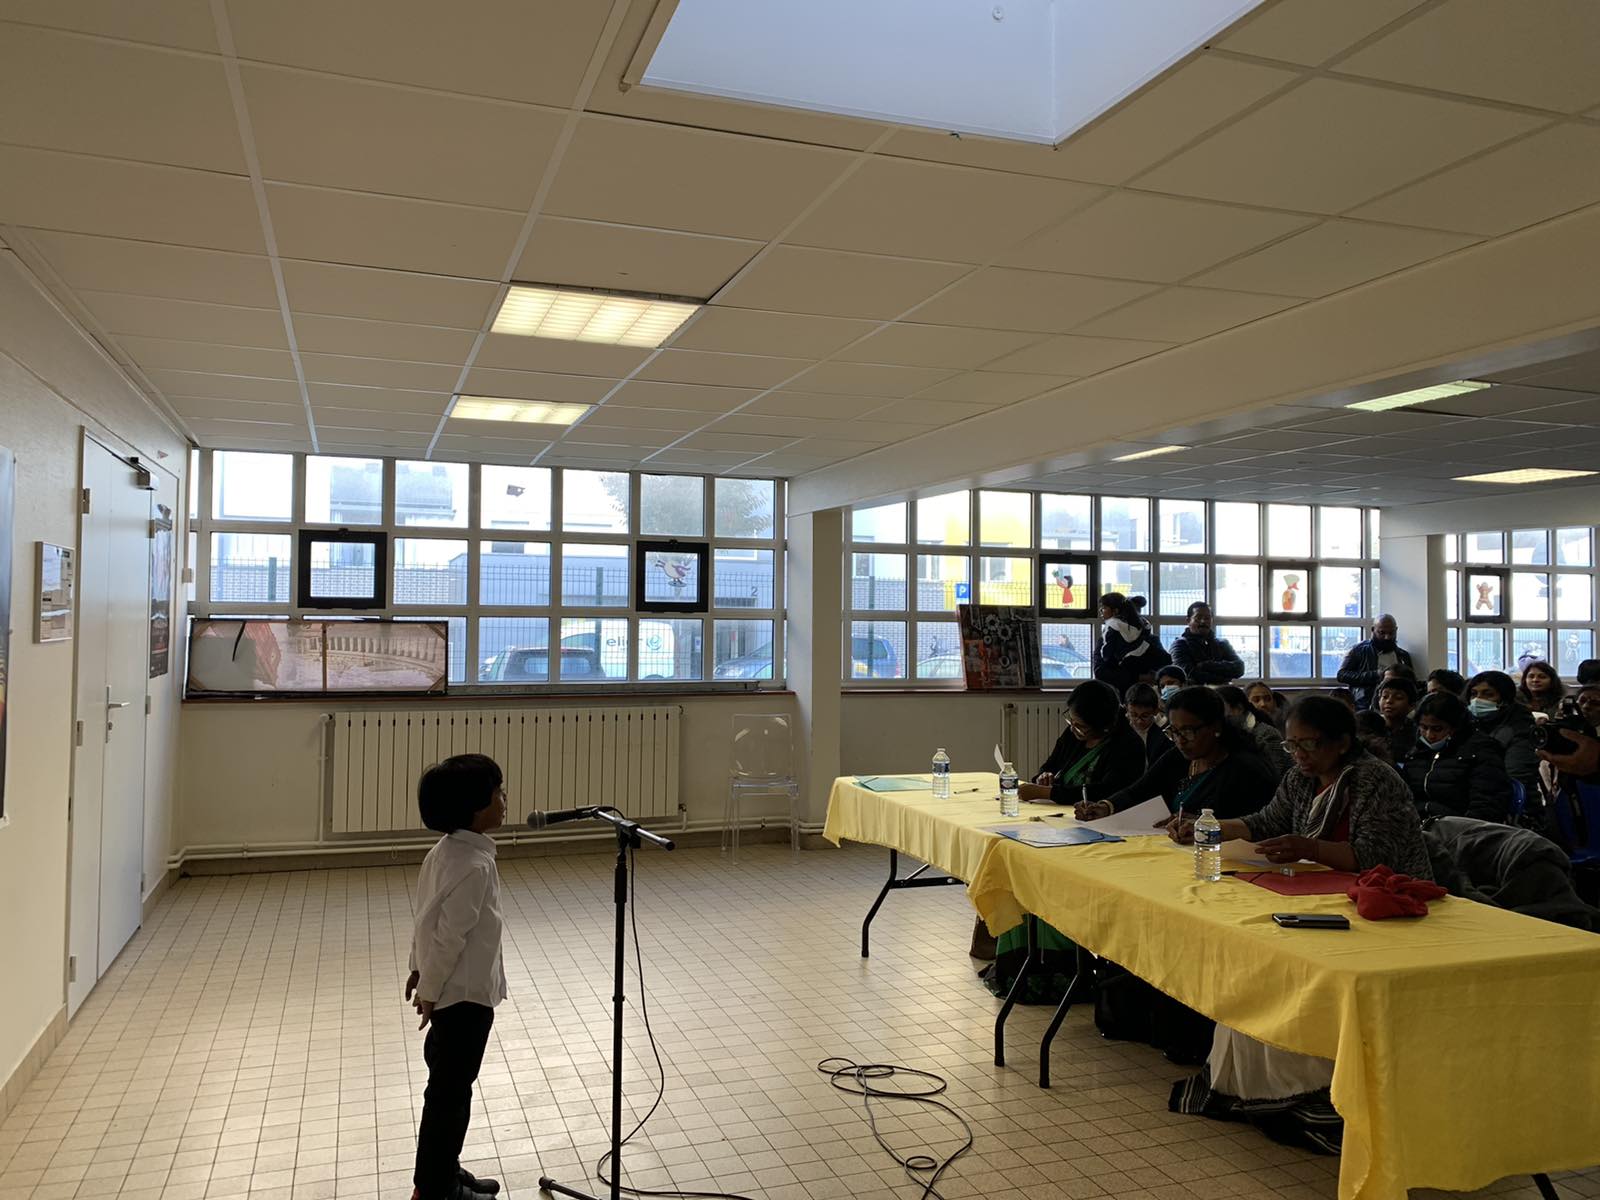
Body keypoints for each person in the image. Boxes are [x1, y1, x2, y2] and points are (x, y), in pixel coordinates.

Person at [1169, 696, 1431, 1152]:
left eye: (1308, 745)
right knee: (1259, 960)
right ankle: (1258, 1088)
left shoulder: (1372, 781)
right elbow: (1266, 821)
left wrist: (1307, 848)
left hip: (1381, 900)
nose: (1298, 755)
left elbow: (1375, 855)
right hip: (1320, 894)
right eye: (1291, 746)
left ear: (1342, 743)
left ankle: (1313, 1091)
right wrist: (1210, 827)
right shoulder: (1300, 778)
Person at [406, 755, 509, 1200]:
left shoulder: (447, 851)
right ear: (474, 807)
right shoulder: (474, 866)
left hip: (452, 994)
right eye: (498, 793)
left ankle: (444, 1170)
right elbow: (449, 937)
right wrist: (428, 988)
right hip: (463, 999)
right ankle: (435, 1189)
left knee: (446, 1091)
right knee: (450, 1098)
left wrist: (417, 967)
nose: (505, 800)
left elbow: (424, 918)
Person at [1086, 687, 1277, 821]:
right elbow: (1140, 790)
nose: (1180, 740)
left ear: (1216, 727)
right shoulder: (1180, 756)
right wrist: (1106, 806)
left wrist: (1202, 824)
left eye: (1188, 731)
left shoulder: (1245, 769)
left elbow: (1255, 824)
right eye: (1174, 732)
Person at [1020, 681, 1148, 805]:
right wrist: (1044, 777)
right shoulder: (1073, 733)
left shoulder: (1129, 746)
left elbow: (1106, 791)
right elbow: (1051, 765)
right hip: (1059, 806)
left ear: (1103, 727)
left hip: (1097, 813)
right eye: (1071, 720)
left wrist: (1047, 793)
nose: (1072, 728)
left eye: (1081, 726)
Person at [1402, 692, 1513, 823]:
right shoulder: (1417, 753)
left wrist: (1462, 829)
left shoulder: (1482, 751)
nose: (1429, 735)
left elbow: (1487, 805)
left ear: (1455, 727)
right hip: (1417, 824)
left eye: (1437, 729)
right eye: (1424, 727)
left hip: (1460, 826)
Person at [1467, 670, 1540, 795]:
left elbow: (1516, 776)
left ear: (1504, 699)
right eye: (1473, 694)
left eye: (1488, 694)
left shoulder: (1520, 727)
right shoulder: (1469, 724)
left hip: (1506, 797)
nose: (1478, 699)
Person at [1093, 592, 1169, 695]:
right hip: (1118, 694)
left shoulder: (1150, 639)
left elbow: (1164, 666)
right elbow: (1101, 672)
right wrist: (1138, 677)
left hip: (1146, 695)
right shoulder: (1107, 638)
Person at [1334, 614, 1414, 710]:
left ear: (1396, 630)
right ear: (1373, 630)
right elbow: (1342, 675)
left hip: (1396, 707)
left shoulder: (1403, 655)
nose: (1387, 637)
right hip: (1364, 706)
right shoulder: (1359, 650)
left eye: (1391, 633)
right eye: (1382, 633)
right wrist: (1375, 675)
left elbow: (1411, 683)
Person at [1216, 685, 1291, 777]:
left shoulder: (1266, 734)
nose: (1263, 704)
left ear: (1239, 708)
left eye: (1221, 710)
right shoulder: (1225, 735)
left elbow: (1273, 775)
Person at [1170, 602, 1245, 685]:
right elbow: (1187, 673)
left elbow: (1239, 668)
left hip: (1222, 692)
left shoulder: (1222, 643)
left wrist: (1205, 665)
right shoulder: (1179, 645)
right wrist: (1223, 678)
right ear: (1188, 620)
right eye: (1198, 618)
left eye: (1207, 618)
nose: (1203, 621)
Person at [1374, 676, 1418, 765]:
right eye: (1385, 696)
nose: (1389, 701)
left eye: (1398, 697)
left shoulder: (1416, 731)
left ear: (1412, 705)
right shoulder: (1370, 726)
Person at [1124, 682, 1169, 768]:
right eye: (1133, 715)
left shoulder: (1163, 736)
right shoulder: (1121, 729)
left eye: (1144, 716)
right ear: (1126, 709)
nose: (1139, 721)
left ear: (1155, 711)